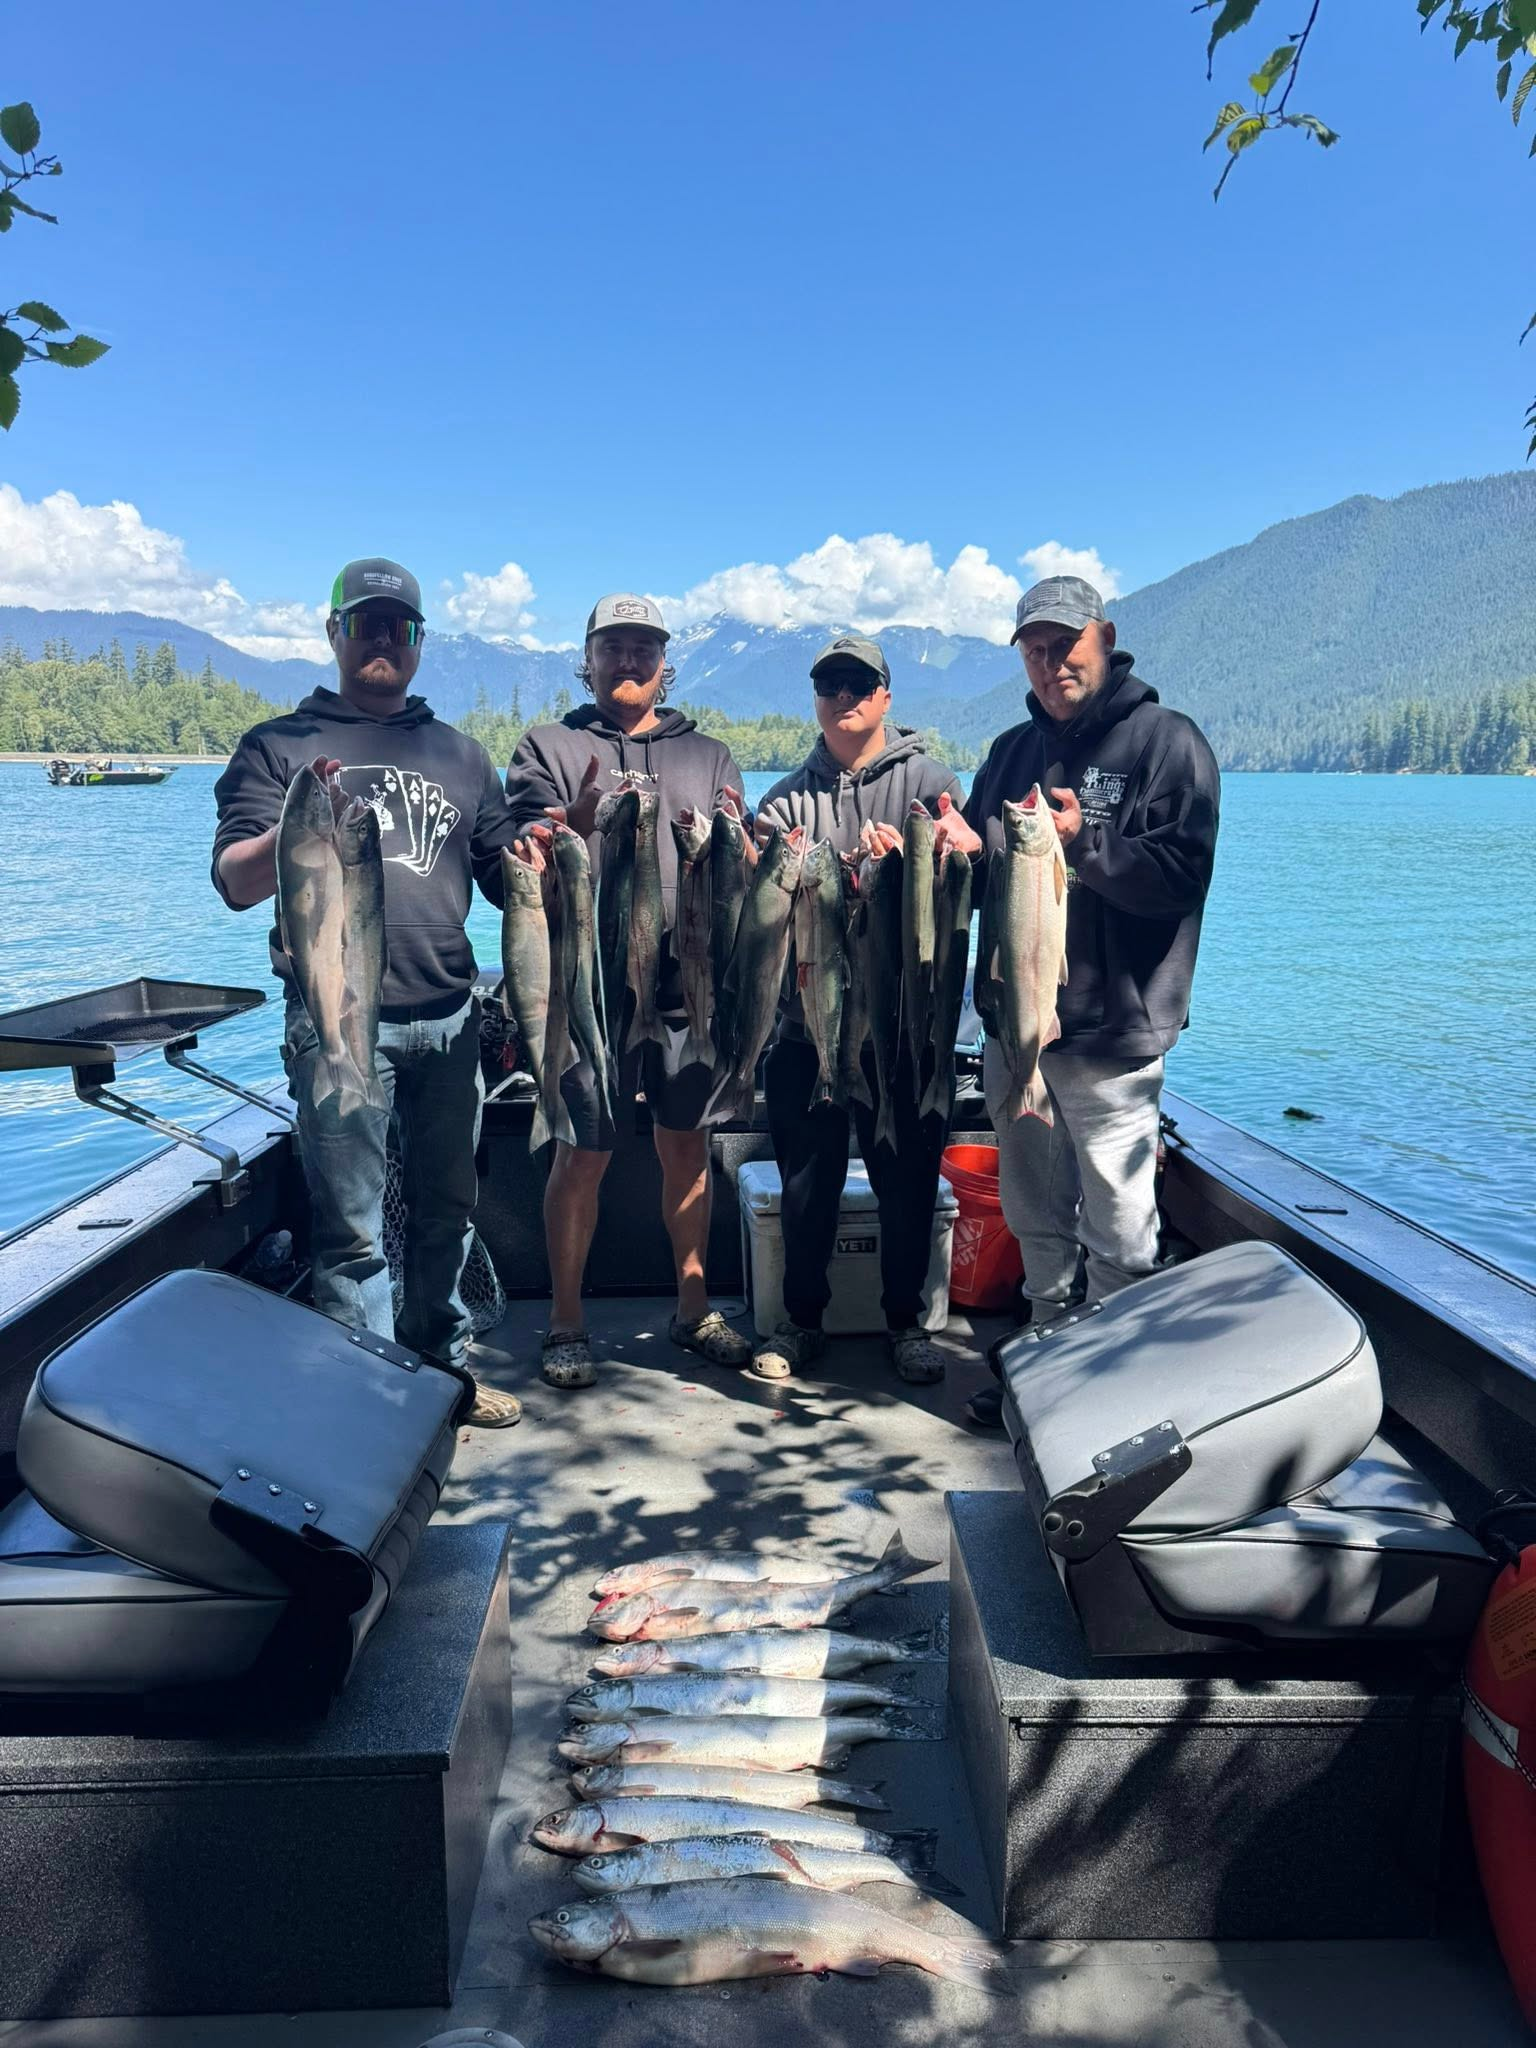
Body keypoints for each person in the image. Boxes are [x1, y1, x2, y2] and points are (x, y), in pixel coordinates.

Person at [211, 557, 523, 1426]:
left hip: (454, 1022)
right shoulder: (280, 746)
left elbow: (504, 876)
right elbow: (235, 881)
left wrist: (546, 849)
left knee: (448, 1216)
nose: (383, 638)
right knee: (350, 1233)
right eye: (366, 622)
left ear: (419, 642)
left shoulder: (461, 755)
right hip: (335, 1022)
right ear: (334, 631)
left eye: (401, 626)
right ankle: (371, 1404)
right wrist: (298, 824)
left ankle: (444, 1375)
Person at [958, 574, 1221, 1428]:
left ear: (1104, 639)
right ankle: (1042, 1365)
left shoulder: (1166, 742)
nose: (1048, 663)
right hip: (1017, 1029)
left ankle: (1116, 1395)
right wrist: (955, 850)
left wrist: (1087, 842)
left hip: (1114, 1034)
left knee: (1117, 1224)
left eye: (1064, 645)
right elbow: (978, 877)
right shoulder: (1009, 755)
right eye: (1033, 649)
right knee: (1036, 1212)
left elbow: (1180, 878)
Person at [505, 594, 755, 1390]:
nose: (629, 660)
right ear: (588, 658)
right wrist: (568, 827)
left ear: (665, 663)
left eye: (644, 647)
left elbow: (735, 857)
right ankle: (567, 1323)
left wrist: (740, 847)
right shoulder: (547, 746)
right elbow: (525, 869)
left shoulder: (710, 753)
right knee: (583, 1154)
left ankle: (693, 1309)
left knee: (689, 1150)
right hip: (588, 989)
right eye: (613, 646)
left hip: (690, 988)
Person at [750, 634, 975, 1386]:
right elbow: (758, 917)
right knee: (805, 1184)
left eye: (858, 684)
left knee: (907, 1182)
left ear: (885, 696)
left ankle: (907, 1323)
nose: (843, 697)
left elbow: (962, 888)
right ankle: (802, 1320)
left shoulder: (931, 780)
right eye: (829, 684)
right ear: (815, 699)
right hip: (803, 1027)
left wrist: (928, 859)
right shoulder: (782, 801)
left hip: (903, 1027)